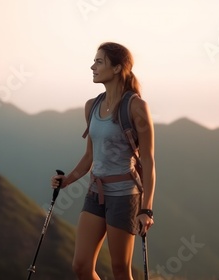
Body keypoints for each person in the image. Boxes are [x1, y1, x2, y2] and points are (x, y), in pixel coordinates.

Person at [51, 42, 156, 280]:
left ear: (118, 68)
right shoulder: (92, 106)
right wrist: (66, 181)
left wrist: (146, 209)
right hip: (95, 193)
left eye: (99, 62)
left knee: (120, 270)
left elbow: (148, 161)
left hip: (124, 195)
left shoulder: (137, 107)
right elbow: (90, 155)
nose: (92, 66)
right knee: (81, 266)